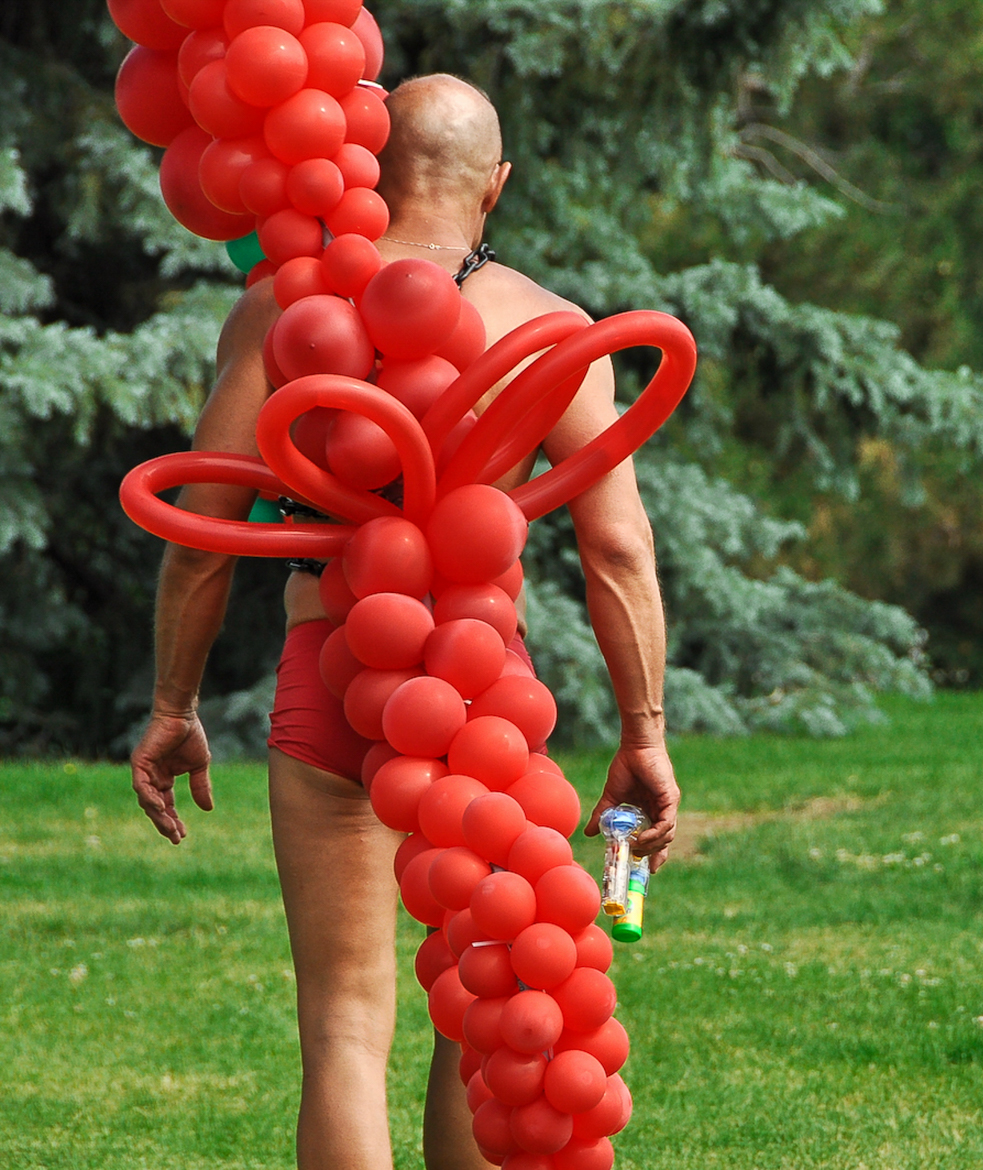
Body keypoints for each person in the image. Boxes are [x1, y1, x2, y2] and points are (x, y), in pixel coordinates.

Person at [126, 75, 679, 1170]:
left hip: (331, 667)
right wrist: (643, 730)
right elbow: (614, 548)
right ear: (497, 185)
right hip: (480, 691)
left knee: (342, 1024)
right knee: (485, 1016)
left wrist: (171, 706)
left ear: (368, 161)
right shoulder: (551, 330)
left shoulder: (293, 308)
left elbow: (203, 534)